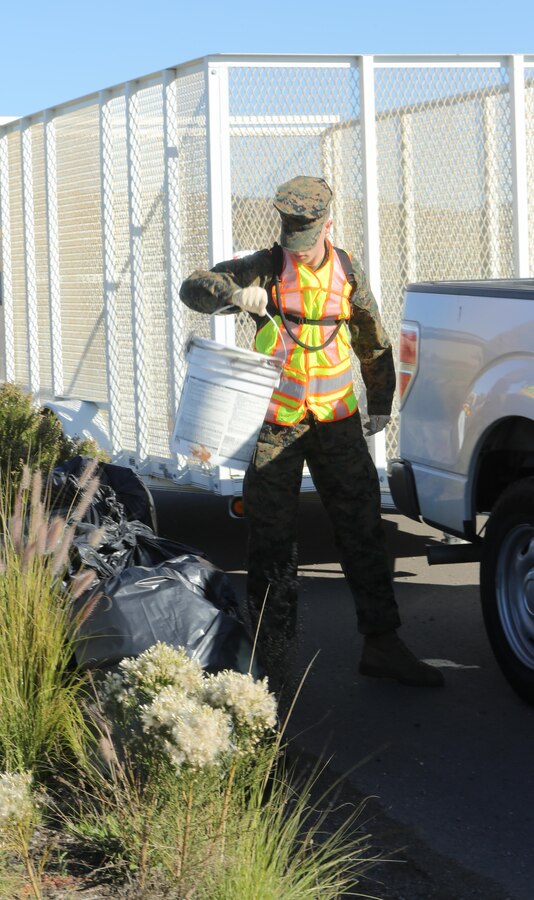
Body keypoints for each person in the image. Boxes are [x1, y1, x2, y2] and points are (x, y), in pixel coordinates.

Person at [179, 175, 443, 693]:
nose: (296, 246)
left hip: (338, 421)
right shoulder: (266, 265)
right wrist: (237, 293)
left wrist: (382, 403)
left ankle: (383, 645)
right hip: (276, 425)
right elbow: (194, 288)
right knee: (272, 546)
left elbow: (372, 337)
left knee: (364, 530)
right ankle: (272, 667)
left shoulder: (346, 269)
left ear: (327, 223)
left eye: (306, 233)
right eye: (289, 234)